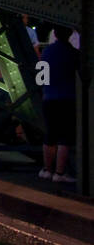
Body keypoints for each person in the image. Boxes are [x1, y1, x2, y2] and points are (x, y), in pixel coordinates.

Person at [39, 27, 79, 183]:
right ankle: (60, 173)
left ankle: (47, 170)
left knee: (50, 135)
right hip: (67, 98)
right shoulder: (73, 54)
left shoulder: (46, 52)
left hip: (48, 98)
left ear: (54, 34)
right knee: (65, 137)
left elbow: (40, 78)